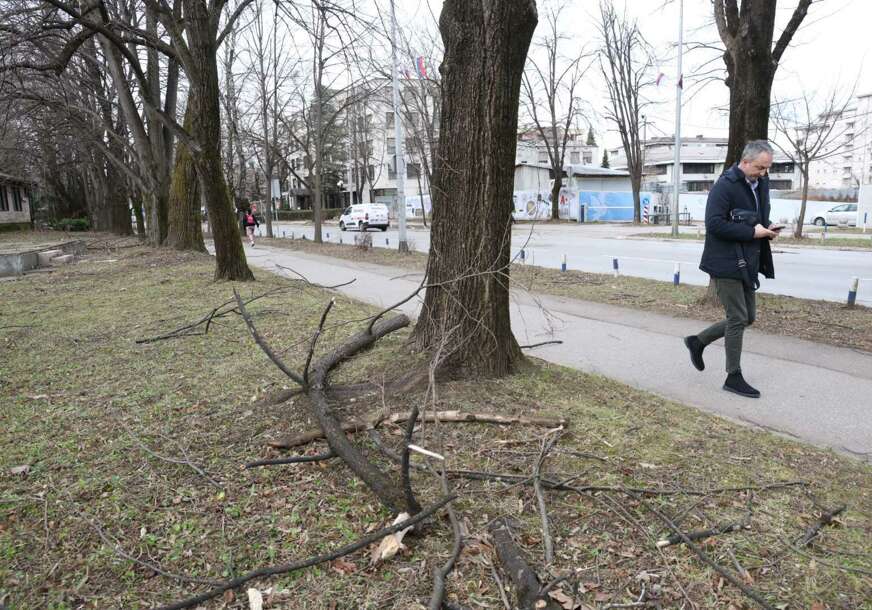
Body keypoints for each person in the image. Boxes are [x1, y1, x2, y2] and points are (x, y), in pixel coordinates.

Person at [683, 140, 782, 398]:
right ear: (746, 162)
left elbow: (755, 217)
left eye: (767, 168)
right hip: (724, 261)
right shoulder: (724, 186)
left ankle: (698, 341)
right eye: (761, 167)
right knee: (738, 318)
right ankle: (733, 376)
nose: (764, 172)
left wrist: (767, 228)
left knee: (748, 317)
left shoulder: (760, 183)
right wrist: (752, 232)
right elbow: (714, 224)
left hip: (748, 260)